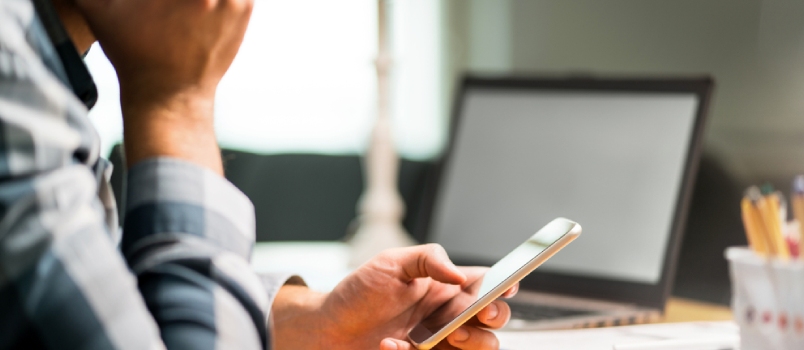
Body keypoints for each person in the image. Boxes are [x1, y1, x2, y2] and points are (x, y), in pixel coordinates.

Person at [0, 0, 516, 349]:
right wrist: (175, 100)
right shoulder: (11, 73)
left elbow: (113, 298)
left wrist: (317, 321)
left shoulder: (47, 74)